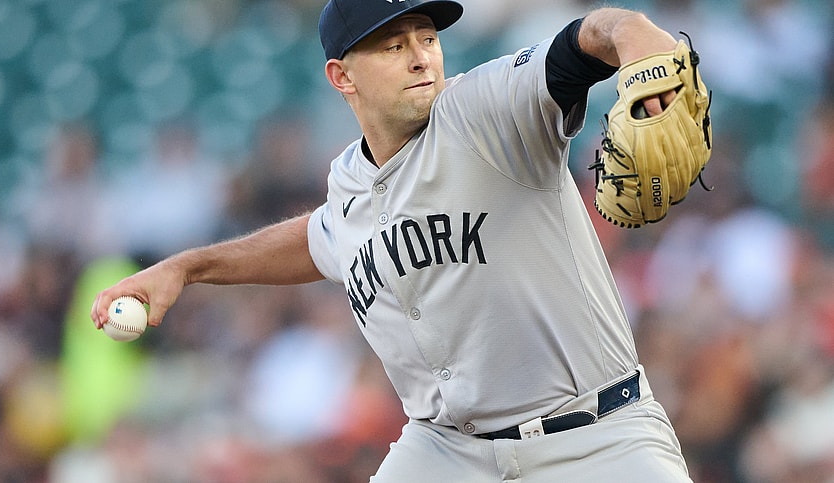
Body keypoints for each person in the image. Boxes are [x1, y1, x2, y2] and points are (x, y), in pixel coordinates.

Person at [92, 0, 693, 480]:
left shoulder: (486, 110)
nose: (420, 57)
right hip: (448, 452)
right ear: (341, 76)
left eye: (426, 37)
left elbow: (585, 40)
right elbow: (319, 237)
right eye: (393, 44)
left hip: (595, 436)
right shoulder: (349, 185)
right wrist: (189, 268)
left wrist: (632, 32)